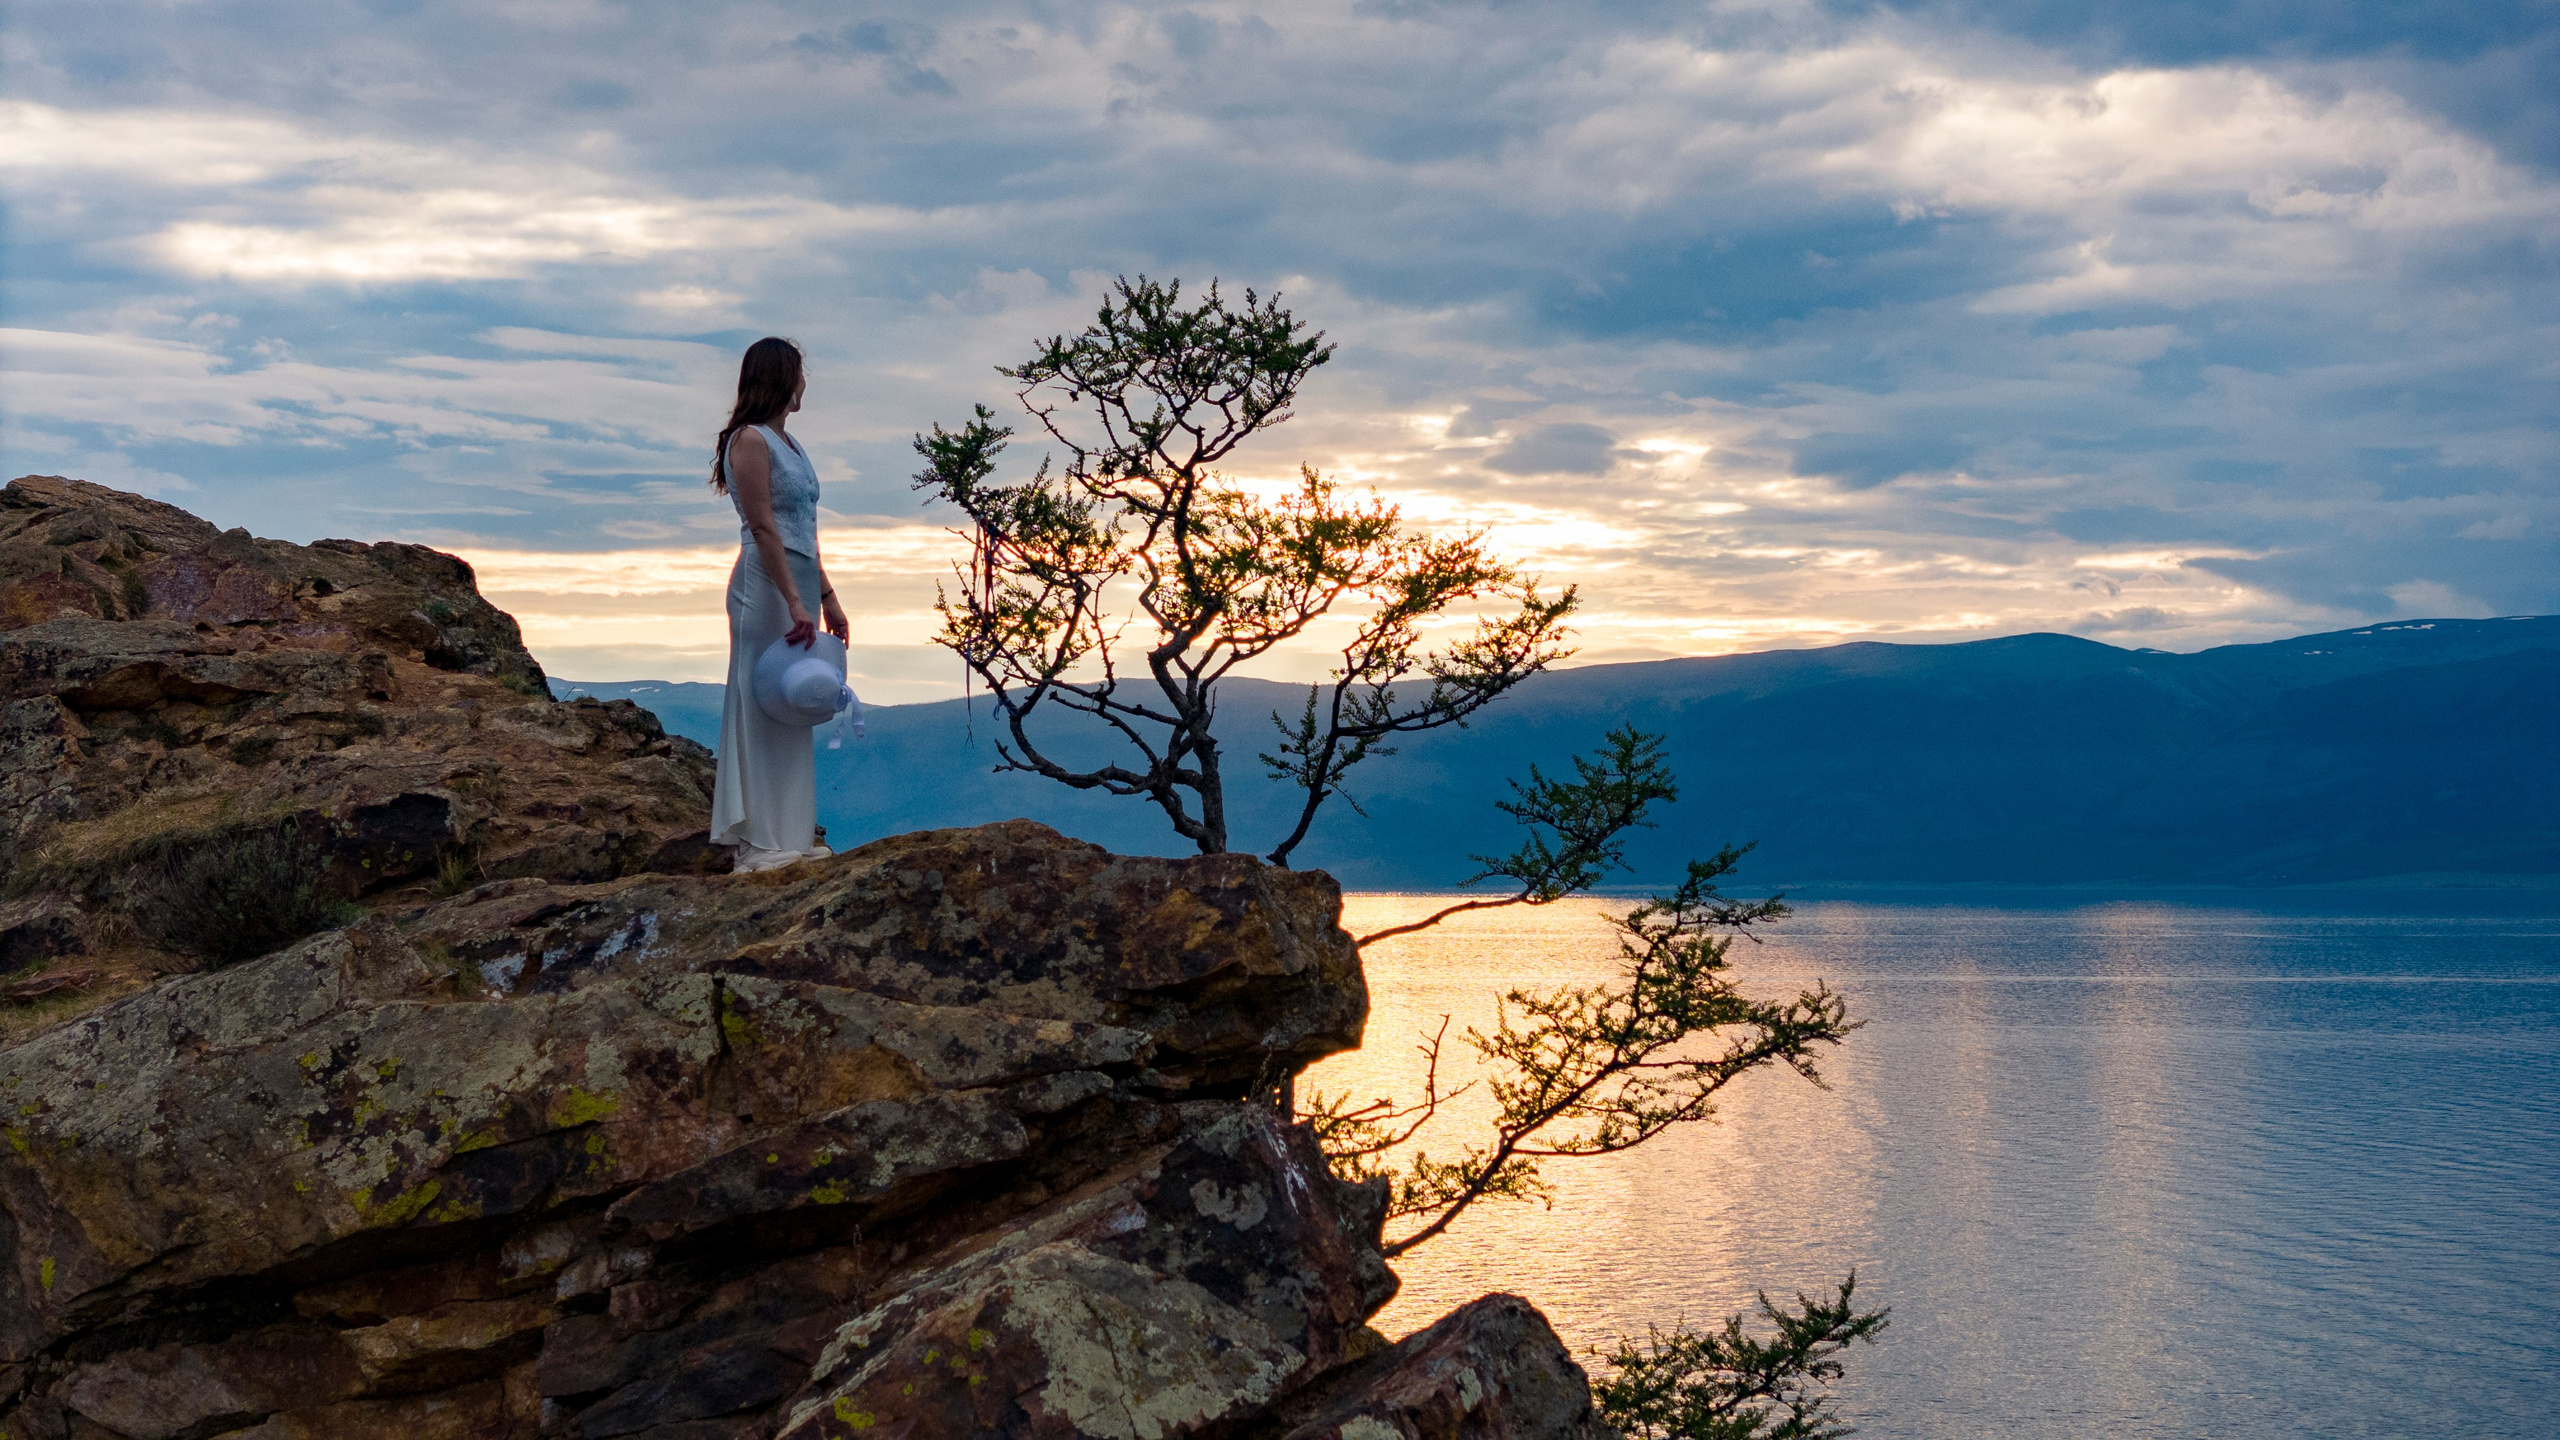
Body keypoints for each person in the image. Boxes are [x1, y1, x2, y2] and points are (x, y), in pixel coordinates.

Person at [707, 337, 849, 873]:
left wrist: (826, 597)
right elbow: (764, 526)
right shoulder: (749, 440)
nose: (805, 382)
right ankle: (757, 841)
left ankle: (790, 831)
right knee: (760, 696)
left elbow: (803, 530)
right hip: (765, 584)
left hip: (799, 582)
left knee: (794, 700)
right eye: (801, 372)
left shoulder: (790, 445)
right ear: (783, 378)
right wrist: (795, 601)